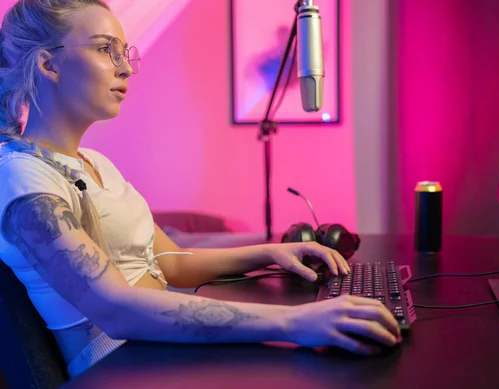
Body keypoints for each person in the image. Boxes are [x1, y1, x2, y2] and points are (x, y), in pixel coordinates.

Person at [0, 0, 401, 379]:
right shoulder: (23, 177)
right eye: (107, 50)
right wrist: (294, 322)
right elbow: (114, 309)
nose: (125, 69)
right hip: (118, 363)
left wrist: (270, 252)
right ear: (49, 63)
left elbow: (169, 261)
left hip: (150, 345)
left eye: (125, 53)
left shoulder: (96, 162)